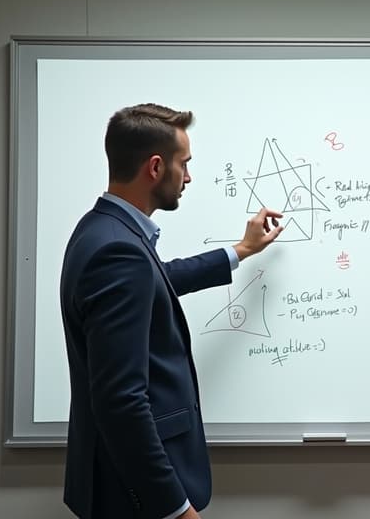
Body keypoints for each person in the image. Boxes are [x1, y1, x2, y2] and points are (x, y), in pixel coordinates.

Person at [60, 103, 284, 519]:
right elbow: (122, 402)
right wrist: (176, 509)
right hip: (136, 498)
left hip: (120, 486)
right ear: (156, 167)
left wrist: (239, 251)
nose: (189, 176)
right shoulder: (119, 251)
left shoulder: (102, 230)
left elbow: (158, 279)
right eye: (185, 164)